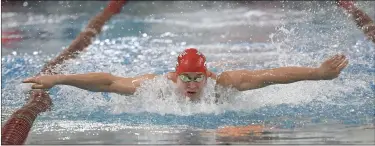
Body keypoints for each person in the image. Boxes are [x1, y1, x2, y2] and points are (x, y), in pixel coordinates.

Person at [23, 47, 349, 102]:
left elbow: (272, 75)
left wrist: (318, 74)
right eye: (186, 78)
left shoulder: (225, 84)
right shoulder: (157, 87)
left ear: (207, 75)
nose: (192, 85)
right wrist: (57, 78)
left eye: (198, 78)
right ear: (175, 76)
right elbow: (108, 82)